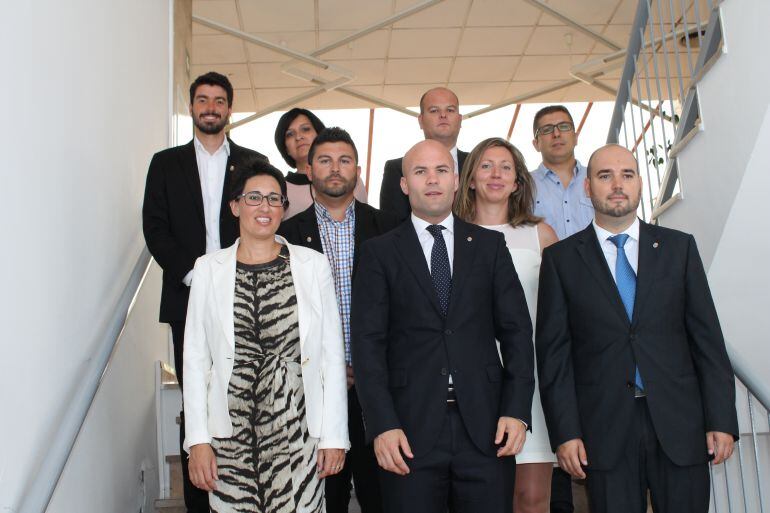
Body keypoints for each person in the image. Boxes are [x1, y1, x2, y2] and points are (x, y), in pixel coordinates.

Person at [536, 144, 739, 513]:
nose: (617, 184)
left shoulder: (679, 250)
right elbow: (554, 357)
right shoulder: (561, 261)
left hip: (681, 426)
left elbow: (707, 342)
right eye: (604, 175)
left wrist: (721, 420)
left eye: (627, 175)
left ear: (640, 184)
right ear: (587, 187)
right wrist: (566, 433)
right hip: (603, 431)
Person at [352, 140, 535, 513]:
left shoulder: (489, 246)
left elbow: (517, 333)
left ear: (456, 180)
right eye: (420, 172)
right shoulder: (378, 252)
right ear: (405, 185)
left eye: (440, 170)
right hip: (407, 431)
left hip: (487, 429)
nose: (431, 180)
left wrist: (516, 410)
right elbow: (368, 346)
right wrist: (382, 425)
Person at [183, 158, 350, 512]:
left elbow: (332, 357)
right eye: (255, 197)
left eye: (275, 199)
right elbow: (196, 360)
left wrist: (335, 437)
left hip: (299, 427)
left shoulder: (312, 264)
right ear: (235, 205)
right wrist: (197, 441)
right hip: (229, 434)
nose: (265, 207)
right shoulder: (207, 269)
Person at [142, 71, 267, 513]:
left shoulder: (253, 162)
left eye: (219, 100)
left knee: (249, 397)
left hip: (249, 297)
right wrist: (194, 275)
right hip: (188, 298)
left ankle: (251, 497)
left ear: (229, 109)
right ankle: (201, 506)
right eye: (202, 99)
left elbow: (264, 221)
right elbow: (154, 228)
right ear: (192, 107)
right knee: (196, 400)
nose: (210, 107)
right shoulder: (165, 163)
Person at [278, 126, 398, 513]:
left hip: (378, 391)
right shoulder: (285, 238)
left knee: (380, 496)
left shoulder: (389, 230)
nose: (335, 169)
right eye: (325, 160)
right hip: (314, 393)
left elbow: (405, 312)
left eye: (344, 160)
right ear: (309, 169)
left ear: (358, 170)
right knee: (323, 500)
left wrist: (365, 367)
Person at [454, 137, 558, 513]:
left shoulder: (541, 235)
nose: (495, 174)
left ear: (517, 182)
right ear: (469, 178)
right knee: (482, 497)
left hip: (529, 375)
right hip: (471, 380)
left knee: (531, 498)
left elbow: (559, 312)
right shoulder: (448, 236)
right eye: (486, 166)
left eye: (506, 167)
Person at [379, 87, 468, 221]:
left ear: (460, 119)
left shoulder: (477, 164)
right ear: (420, 120)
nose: (443, 115)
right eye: (434, 110)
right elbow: (392, 224)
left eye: (450, 110)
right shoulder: (396, 168)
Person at [274, 108, 367, 219]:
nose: (299, 137)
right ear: (285, 148)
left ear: (319, 134)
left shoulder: (351, 180)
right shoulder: (279, 189)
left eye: (305, 129)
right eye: (290, 134)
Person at [530, 105, 594, 240]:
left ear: (576, 137)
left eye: (564, 126)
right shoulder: (523, 185)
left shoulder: (597, 178)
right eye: (546, 130)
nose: (556, 134)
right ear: (536, 144)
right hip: (543, 261)